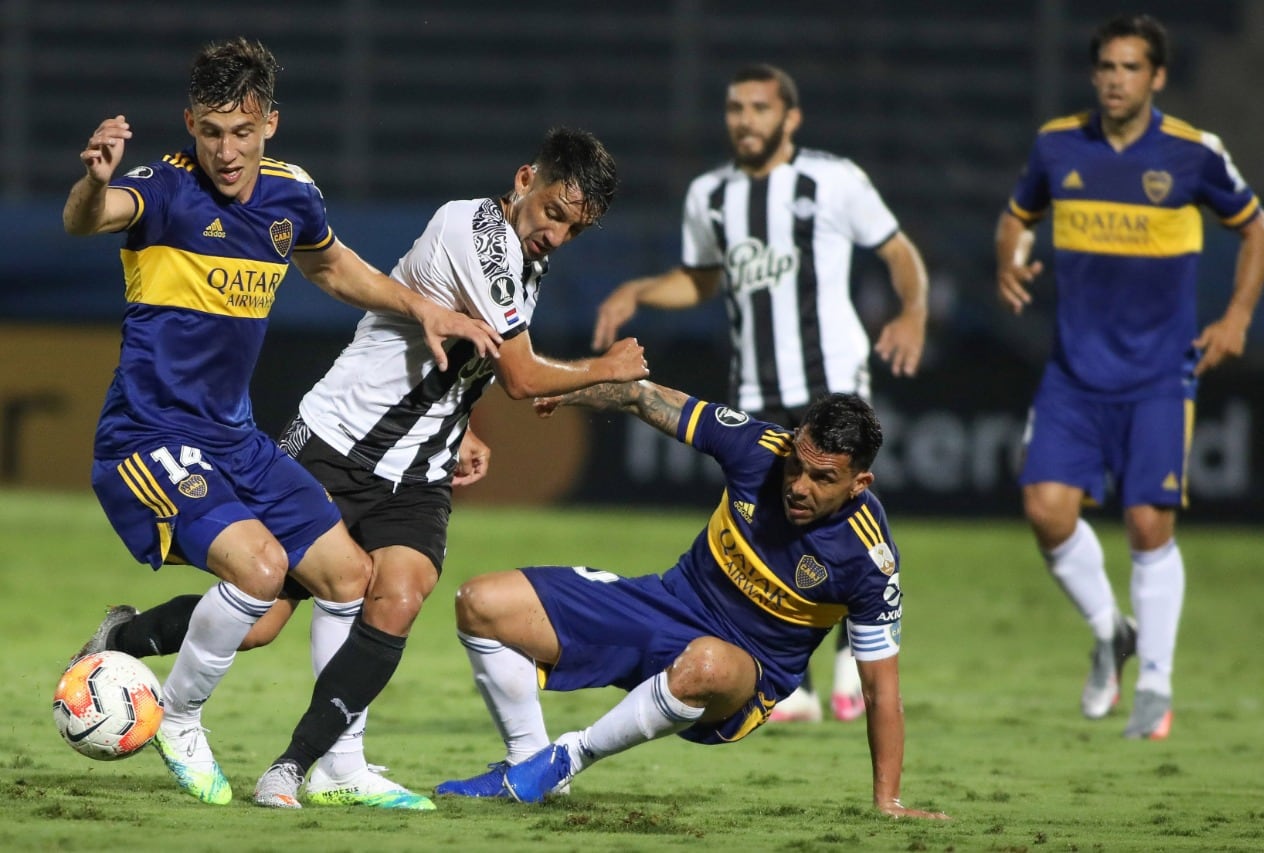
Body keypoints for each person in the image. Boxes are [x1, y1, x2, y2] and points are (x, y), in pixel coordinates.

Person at [77, 126, 649, 809]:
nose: (557, 235)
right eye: (555, 213)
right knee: (261, 616)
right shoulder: (477, 230)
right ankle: (125, 638)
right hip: (334, 442)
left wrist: (462, 426)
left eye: (574, 229)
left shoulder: (528, 259)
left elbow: (481, 361)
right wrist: (609, 373)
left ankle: (312, 766)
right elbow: (523, 376)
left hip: (418, 470)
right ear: (525, 180)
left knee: (398, 592)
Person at [62, 37, 504, 806]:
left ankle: (336, 764)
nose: (225, 151)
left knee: (348, 575)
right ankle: (178, 714)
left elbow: (334, 267)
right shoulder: (160, 189)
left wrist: (425, 307)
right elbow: (93, 216)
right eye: (209, 131)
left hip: (235, 435)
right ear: (189, 125)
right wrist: (90, 184)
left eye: (241, 131)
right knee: (262, 572)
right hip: (150, 435)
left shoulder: (291, 194)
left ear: (270, 121)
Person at [434, 380, 947, 821]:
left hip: (743, 671)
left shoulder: (868, 558)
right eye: (797, 465)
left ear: (860, 483)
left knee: (705, 662)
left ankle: (568, 758)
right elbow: (644, 396)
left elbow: (881, 690)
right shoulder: (759, 449)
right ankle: (530, 763)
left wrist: (889, 800)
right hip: (665, 605)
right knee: (481, 602)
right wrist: (576, 389)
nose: (798, 486)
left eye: (823, 478)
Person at [592, 63, 929, 723]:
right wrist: (640, 290)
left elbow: (897, 251)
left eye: (759, 108)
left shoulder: (835, 179)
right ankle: (790, 681)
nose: (745, 120)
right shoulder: (709, 194)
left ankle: (851, 667)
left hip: (832, 384)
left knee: (842, 521)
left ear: (790, 117)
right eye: (735, 108)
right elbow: (701, 281)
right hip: (754, 388)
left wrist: (913, 308)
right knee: (770, 527)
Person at [996, 14, 1264, 740]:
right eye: (1106, 67)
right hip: (1073, 372)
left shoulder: (1192, 154)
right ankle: (1109, 630)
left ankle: (1155, 680)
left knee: (1149, 523)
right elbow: (1016, 216)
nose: (1116, 79)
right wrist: (1008, 258)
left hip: (1158, 373)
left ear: (1157, 77)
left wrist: (1238, 316)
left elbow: (1258, 230)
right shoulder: (1059, 144)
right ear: (1094, 75)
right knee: (1046, 509)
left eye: (1130, 68)